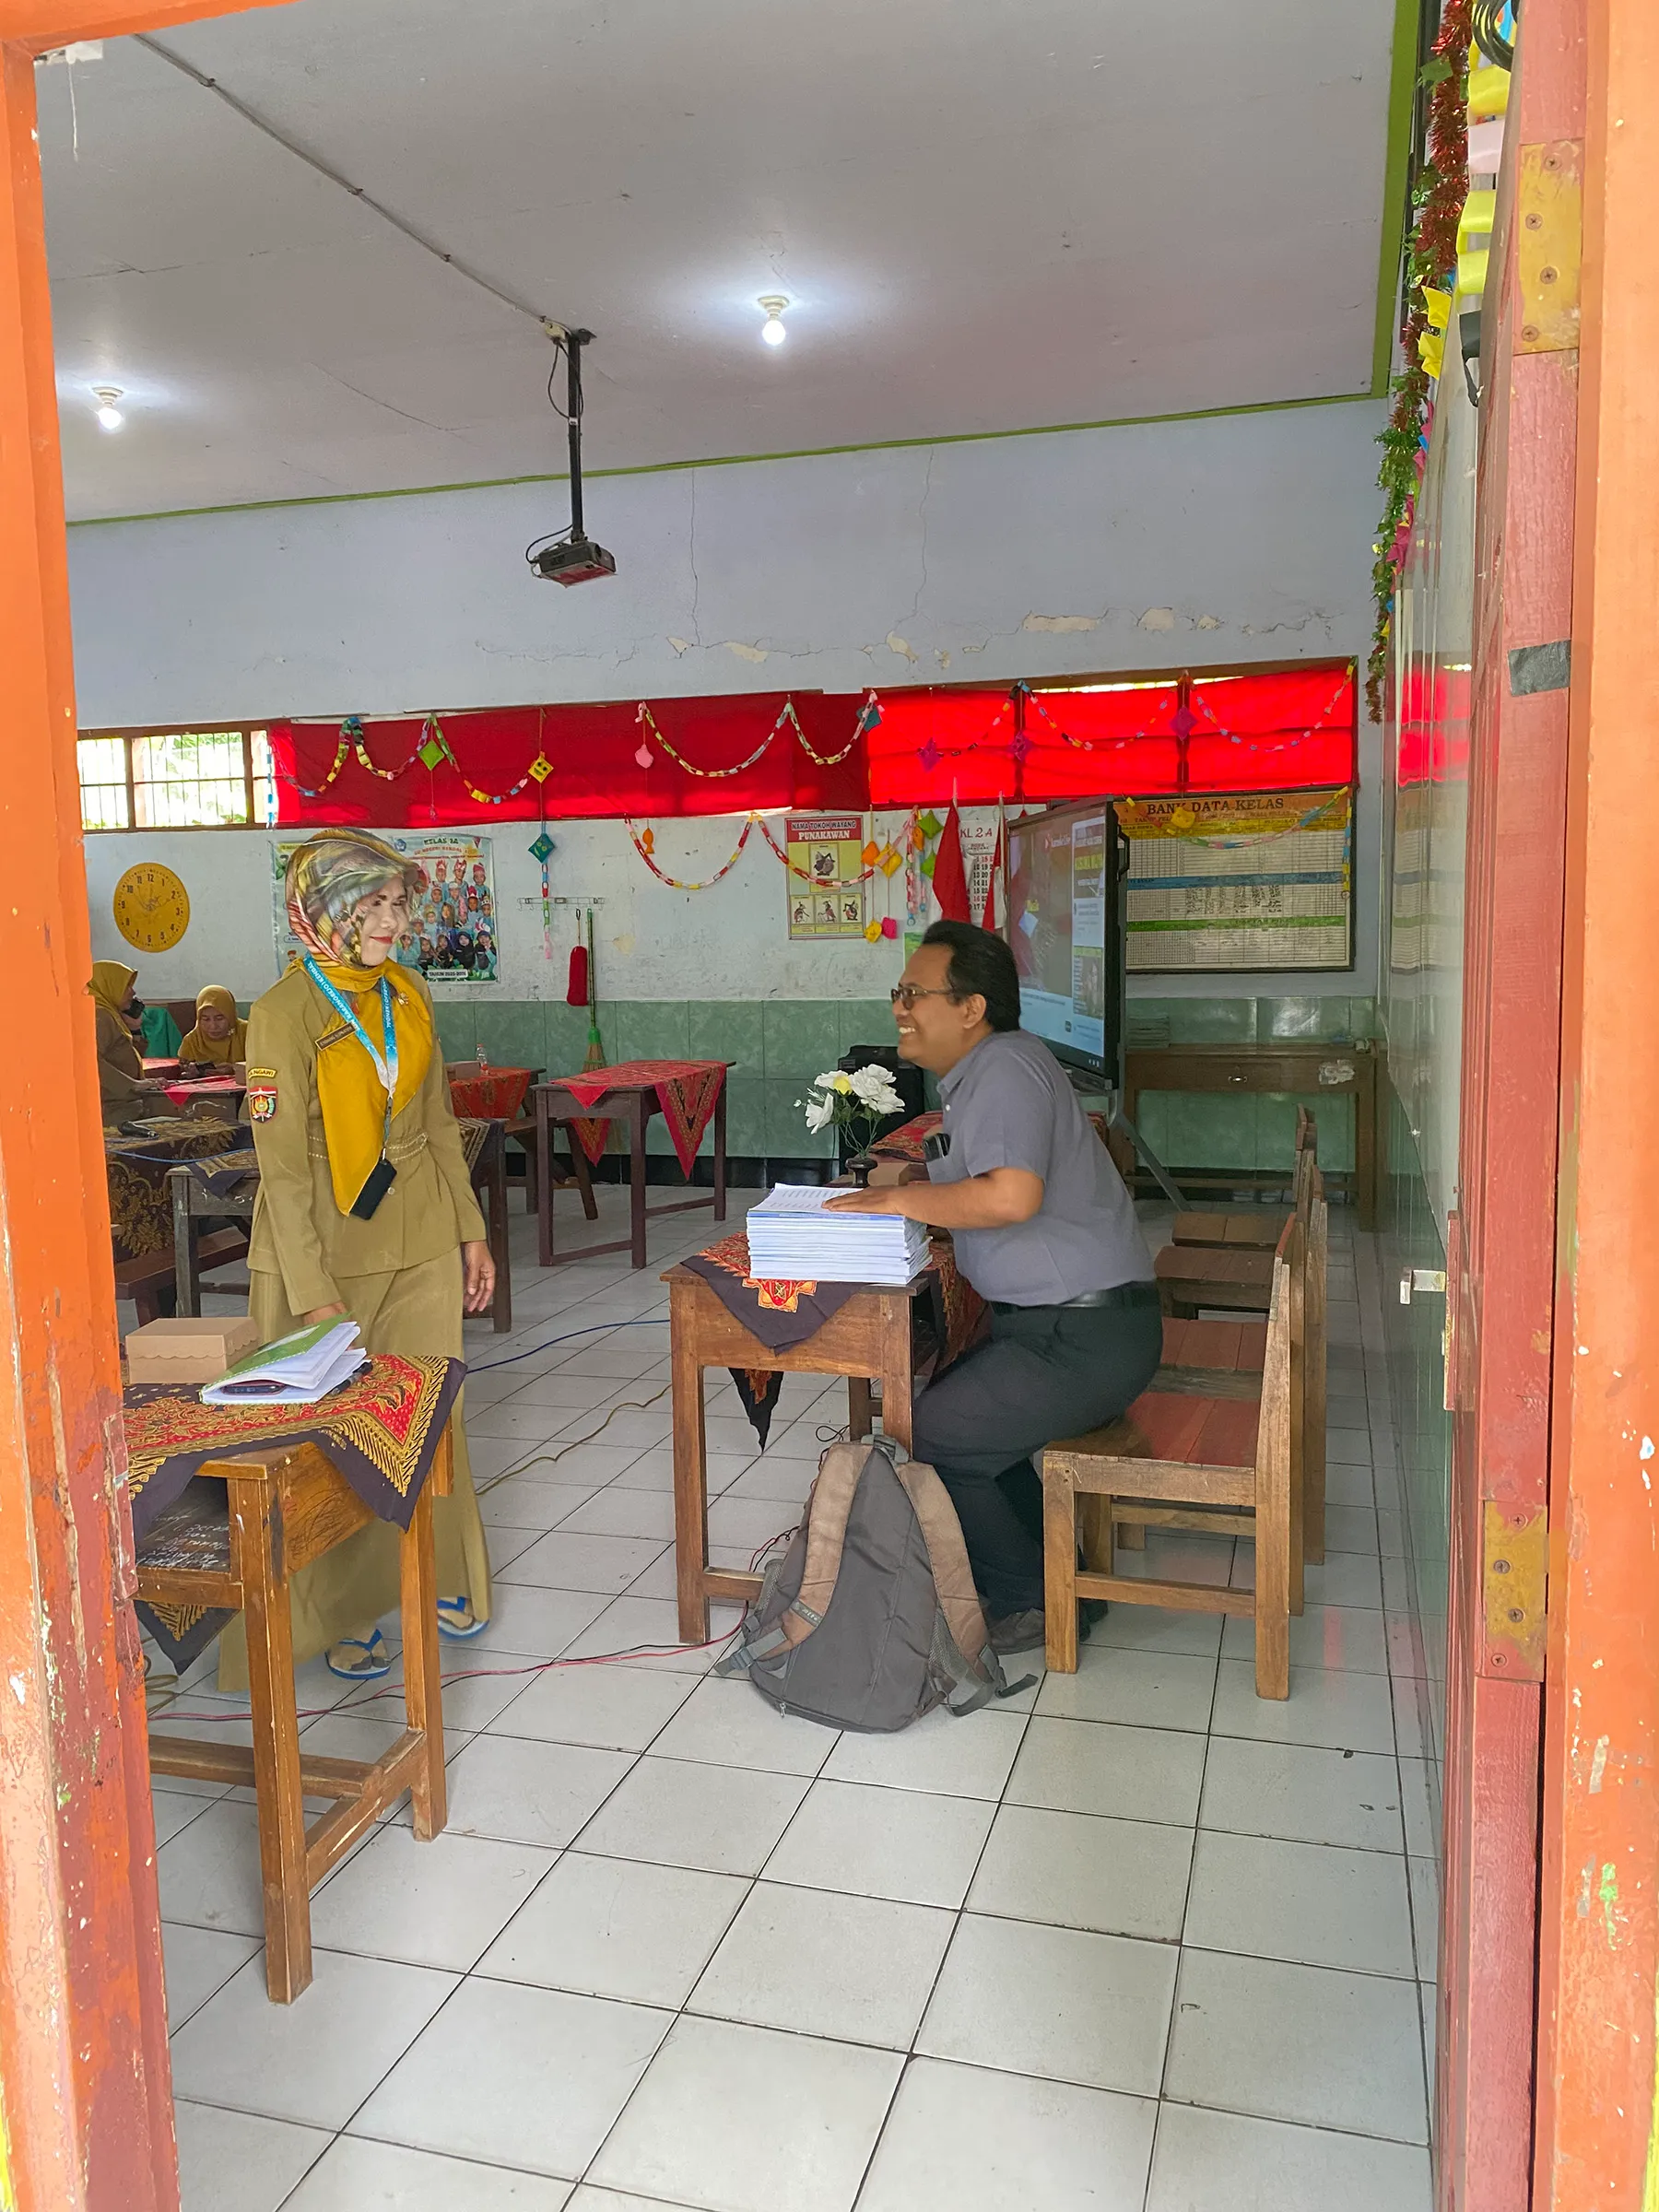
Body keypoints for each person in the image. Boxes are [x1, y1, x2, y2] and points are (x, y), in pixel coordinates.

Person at [828, 920, 1159, 1651]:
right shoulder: (986, 1072)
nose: (900, 1008)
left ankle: (1030, 1600)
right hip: (1064, 1325)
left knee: (939, 1430)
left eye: (915, 994)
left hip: (1084, 1335)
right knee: (956, 1416)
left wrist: (900, 1201)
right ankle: (1056, 1582)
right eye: (898, 992)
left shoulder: (1004, 1068)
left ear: (971, 1008)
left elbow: (1010, 1196)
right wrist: (910, 1182)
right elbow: (979, 1178)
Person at [219, 829, 497, 1687]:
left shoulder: (407, 993)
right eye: (371, 905)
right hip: (321, 1254)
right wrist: (311, 1295)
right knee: (331, 1434)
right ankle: (342, 1612)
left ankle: (443, 1571)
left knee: (431, 1413)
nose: (392, 922)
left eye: (398, 904)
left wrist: (471, 1228)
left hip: (419, 1238)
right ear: (322, 911)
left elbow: (439, 1123)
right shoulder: (282, 1013)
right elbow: (281, 1170)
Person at [88, 959, 160, 1117]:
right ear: (109, 986)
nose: (133, 992)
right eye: (126, 986)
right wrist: (133, 1085)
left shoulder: (110, 1014)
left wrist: (134, 1030)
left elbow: (124, 1055)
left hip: (125, 1101)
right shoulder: (100, 1016)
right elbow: (89, 1061)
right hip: (113, 1107)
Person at [176, 983, 247, 1067]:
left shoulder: (247, 1032)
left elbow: (259, 1065)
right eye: (206, 1019)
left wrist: (235, 1068)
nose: (213, 1026)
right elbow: (182, 1068)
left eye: (219, 1018)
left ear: (231, 1016)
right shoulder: (192, 1041)